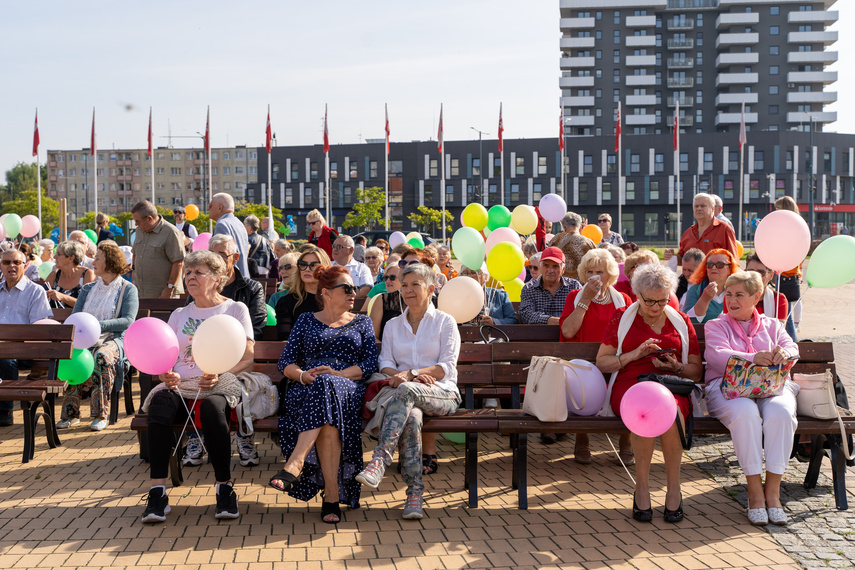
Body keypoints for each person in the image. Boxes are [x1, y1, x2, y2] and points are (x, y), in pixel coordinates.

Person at [269, 266, 378, 524]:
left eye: (354, 288)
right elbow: (286, 362)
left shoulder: (362, 322)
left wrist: (337, 375)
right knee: (327, 416)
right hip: (307, 390)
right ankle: (331, 495)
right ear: (327, 293)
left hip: (349, 389)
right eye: (347, 288)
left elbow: (369, 364)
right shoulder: (306, 320)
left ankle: (295, 463)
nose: (354, 293)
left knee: (327, 384)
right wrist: (304, 375)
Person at [596, 263, 703, 523]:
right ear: (637, 295)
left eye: (663, 301)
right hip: (631, 383)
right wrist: (635, 355)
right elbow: (603, 362)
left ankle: (673, 487)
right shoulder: (623, 317)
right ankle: (641, 486)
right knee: (644, 409)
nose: (656, 307)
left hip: (671, 383)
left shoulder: (681, 320)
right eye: (649, 301)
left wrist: (677, 366)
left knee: (669, 410)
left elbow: (696, 371)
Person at [355, 263, 461, 520]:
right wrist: (405, 377)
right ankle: (415, 493)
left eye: (415, 284)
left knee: (408, 390)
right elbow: (386, 365)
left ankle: (380, 458)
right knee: (412, 417)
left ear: (431, 289)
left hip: (443, 394)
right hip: (406, 394)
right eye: (404, 285)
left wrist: (412, 375)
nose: (408, 290)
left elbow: (446, 367)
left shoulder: (445, 322)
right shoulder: (392, 326)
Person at [704, 271, 799, 526]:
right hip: (727, 389)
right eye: (729, 294)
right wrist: (752, 358)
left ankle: (774, 493)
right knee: (746, 413)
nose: (732, 300)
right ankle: (755, 493)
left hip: (771, 388)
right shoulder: (716, 324)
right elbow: (716, 355)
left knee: (780, 412)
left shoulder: (773, 325)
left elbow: (792, 348)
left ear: (757, 297)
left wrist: (783, 353)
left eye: (739, 295)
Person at [558, 249, 632, 462]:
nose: (593, 276)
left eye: (598, 271)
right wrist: (586, 299)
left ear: (609, 274)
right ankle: (582, 437)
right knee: (583, 384)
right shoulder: (575, 296)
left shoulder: (623, 299)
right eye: (589, 271)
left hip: (615, 363)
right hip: (584, 366)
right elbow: (568, 331)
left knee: (629, 382)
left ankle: (625, 439)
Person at [58, 243, 139, 431]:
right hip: (85, 339)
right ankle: (71, 413)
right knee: (72, 356)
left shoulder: (128, 289)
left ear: (110, 262)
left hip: (114, 339)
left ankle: (100, 414)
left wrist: (97, 326)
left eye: (98, 258)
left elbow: (127, 320)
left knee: (101, 356)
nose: (92, 262)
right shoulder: (87, 289)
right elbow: (75, 317)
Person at [0, 248, 53, 426]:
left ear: (25, 265)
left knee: (5, 361)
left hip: (25, 349)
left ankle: (5, 410)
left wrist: (8, 341)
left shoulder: (35, 291)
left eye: (16, 262)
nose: (11, 266)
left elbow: (37, 330)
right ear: (1, 266)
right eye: (6, 262)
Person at [274, 246, 331, 341]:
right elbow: (284, 339)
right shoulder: (287, 302)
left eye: (313, 265)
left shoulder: (334, 300)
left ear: (324, 268)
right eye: (303, 264)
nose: (307, 269)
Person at [131, 200, 185, 299]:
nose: (136, 225)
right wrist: (134, 271)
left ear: (149, 219)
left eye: (137, 221)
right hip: (141, 294)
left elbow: (178, 262)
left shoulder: (171, 232)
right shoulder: (140, 230)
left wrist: (169, 288)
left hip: (163, 295)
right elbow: (135, 253)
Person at [519, 247, 581, 324]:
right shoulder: (529, 288)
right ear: (541, 267)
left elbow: (581, 312)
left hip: (567, 334)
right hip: (538, 335)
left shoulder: (574, 286)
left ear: (563, 269)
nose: (550, 270)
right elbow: (526, 314)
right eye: (546, 265)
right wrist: (549, 320)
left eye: (555, 266)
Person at [675, 193, 739, 266]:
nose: (699, 208)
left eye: (703, 206)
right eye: (696, 206)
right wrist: (672, 257)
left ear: (713, 209)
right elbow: (682, 259)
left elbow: (734, 260)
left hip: (715, 277)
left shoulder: (724, 229)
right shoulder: (688, 233)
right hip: (691, 277)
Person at [684, 248, 740, 324]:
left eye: (720, 265)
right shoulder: (695, 290)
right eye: (709, 265)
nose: (713, 268)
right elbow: (688, 322)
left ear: (730, 269)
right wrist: (704, 300)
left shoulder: (738, 290)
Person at [774, 196, 803, 338]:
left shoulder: (787, 227)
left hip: (785, 273)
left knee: (785, 314)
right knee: (786, 313)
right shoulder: (798, 225)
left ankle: (793, 344)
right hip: (788, 272)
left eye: (778, 209)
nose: (776, 212)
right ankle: (792, 343)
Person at [208, 193, 250, 278]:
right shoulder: (239, 223)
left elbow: (221, 259)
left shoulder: (222, 225)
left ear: (220, 207)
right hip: (243, 277)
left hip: (230, 281)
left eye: (211, 205)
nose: (208, 207)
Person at [45, 241, 95, 309]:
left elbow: (88, 305)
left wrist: (63, 297)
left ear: (71, 258)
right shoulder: (54, 275)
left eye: (59, 254)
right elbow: (40, 298)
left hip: (78, 319)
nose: (54, 257)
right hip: (55, 318)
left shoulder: (87, 274)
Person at [742, 253, 789, 325]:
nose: (755, 276)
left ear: (771, 275)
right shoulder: (733, 297)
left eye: (760, 272)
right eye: (751, 271)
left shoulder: (778, 299)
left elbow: (778, 332)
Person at [547, 211, 596, 280]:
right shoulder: (588, 242)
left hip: (559, 283)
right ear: (580, 228)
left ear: (564, 227)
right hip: (580, 285)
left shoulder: (555, 239)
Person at [368, 264, 403, 340]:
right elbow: (372, 336)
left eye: (392, 277)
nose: (387, 281)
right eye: (386, 278)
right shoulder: (381, 299)